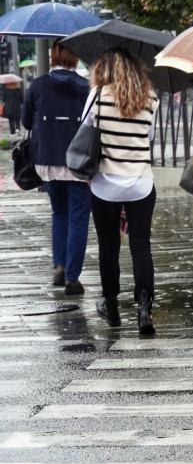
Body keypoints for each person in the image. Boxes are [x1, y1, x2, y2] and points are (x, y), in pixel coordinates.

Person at [84, 49, 159, 334]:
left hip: (105, 185)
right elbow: (148, 137)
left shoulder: (97, 97)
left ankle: (112, 307)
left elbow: (86, 131)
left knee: (108, 246)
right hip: (140, 182)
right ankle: (143, 309)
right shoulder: (150, 99)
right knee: (141, 245)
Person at [20, 44, 91, 297]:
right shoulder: (85, 86)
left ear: (53, 57)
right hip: (78, 161)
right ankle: (73, 277)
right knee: (79, 216)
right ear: (75, 57)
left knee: (59, 212)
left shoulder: (38, 85)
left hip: (47, 159)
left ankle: (60, 265)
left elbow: (26, 121)